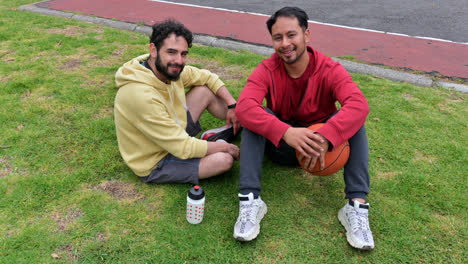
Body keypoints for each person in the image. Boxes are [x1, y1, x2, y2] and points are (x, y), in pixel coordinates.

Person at [233, 7, 375, 250]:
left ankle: (356, 206)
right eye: (278, 38)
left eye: (291, 35)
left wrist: (326, 136)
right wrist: (286, 132)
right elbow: (244, 107)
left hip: (323, 150)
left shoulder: (329, 69)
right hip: (282, 148)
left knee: (354, 118)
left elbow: (359, 104)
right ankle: (250, 201)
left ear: (306, 35)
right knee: (255, 116)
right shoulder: (266, 69)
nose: (285, 43)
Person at [114, 19, 240, 185]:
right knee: (224, 160)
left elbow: (207, 77)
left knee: (203, 90)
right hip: (156, 161)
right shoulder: (140, 94)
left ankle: (243, 121)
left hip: (172, 133)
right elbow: (183, 147)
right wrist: (226, 148)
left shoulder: (164, 68)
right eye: (171, 52)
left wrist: (233, 105)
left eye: (183, 54)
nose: (179, 61)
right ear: (153, 50)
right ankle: (215, 141)